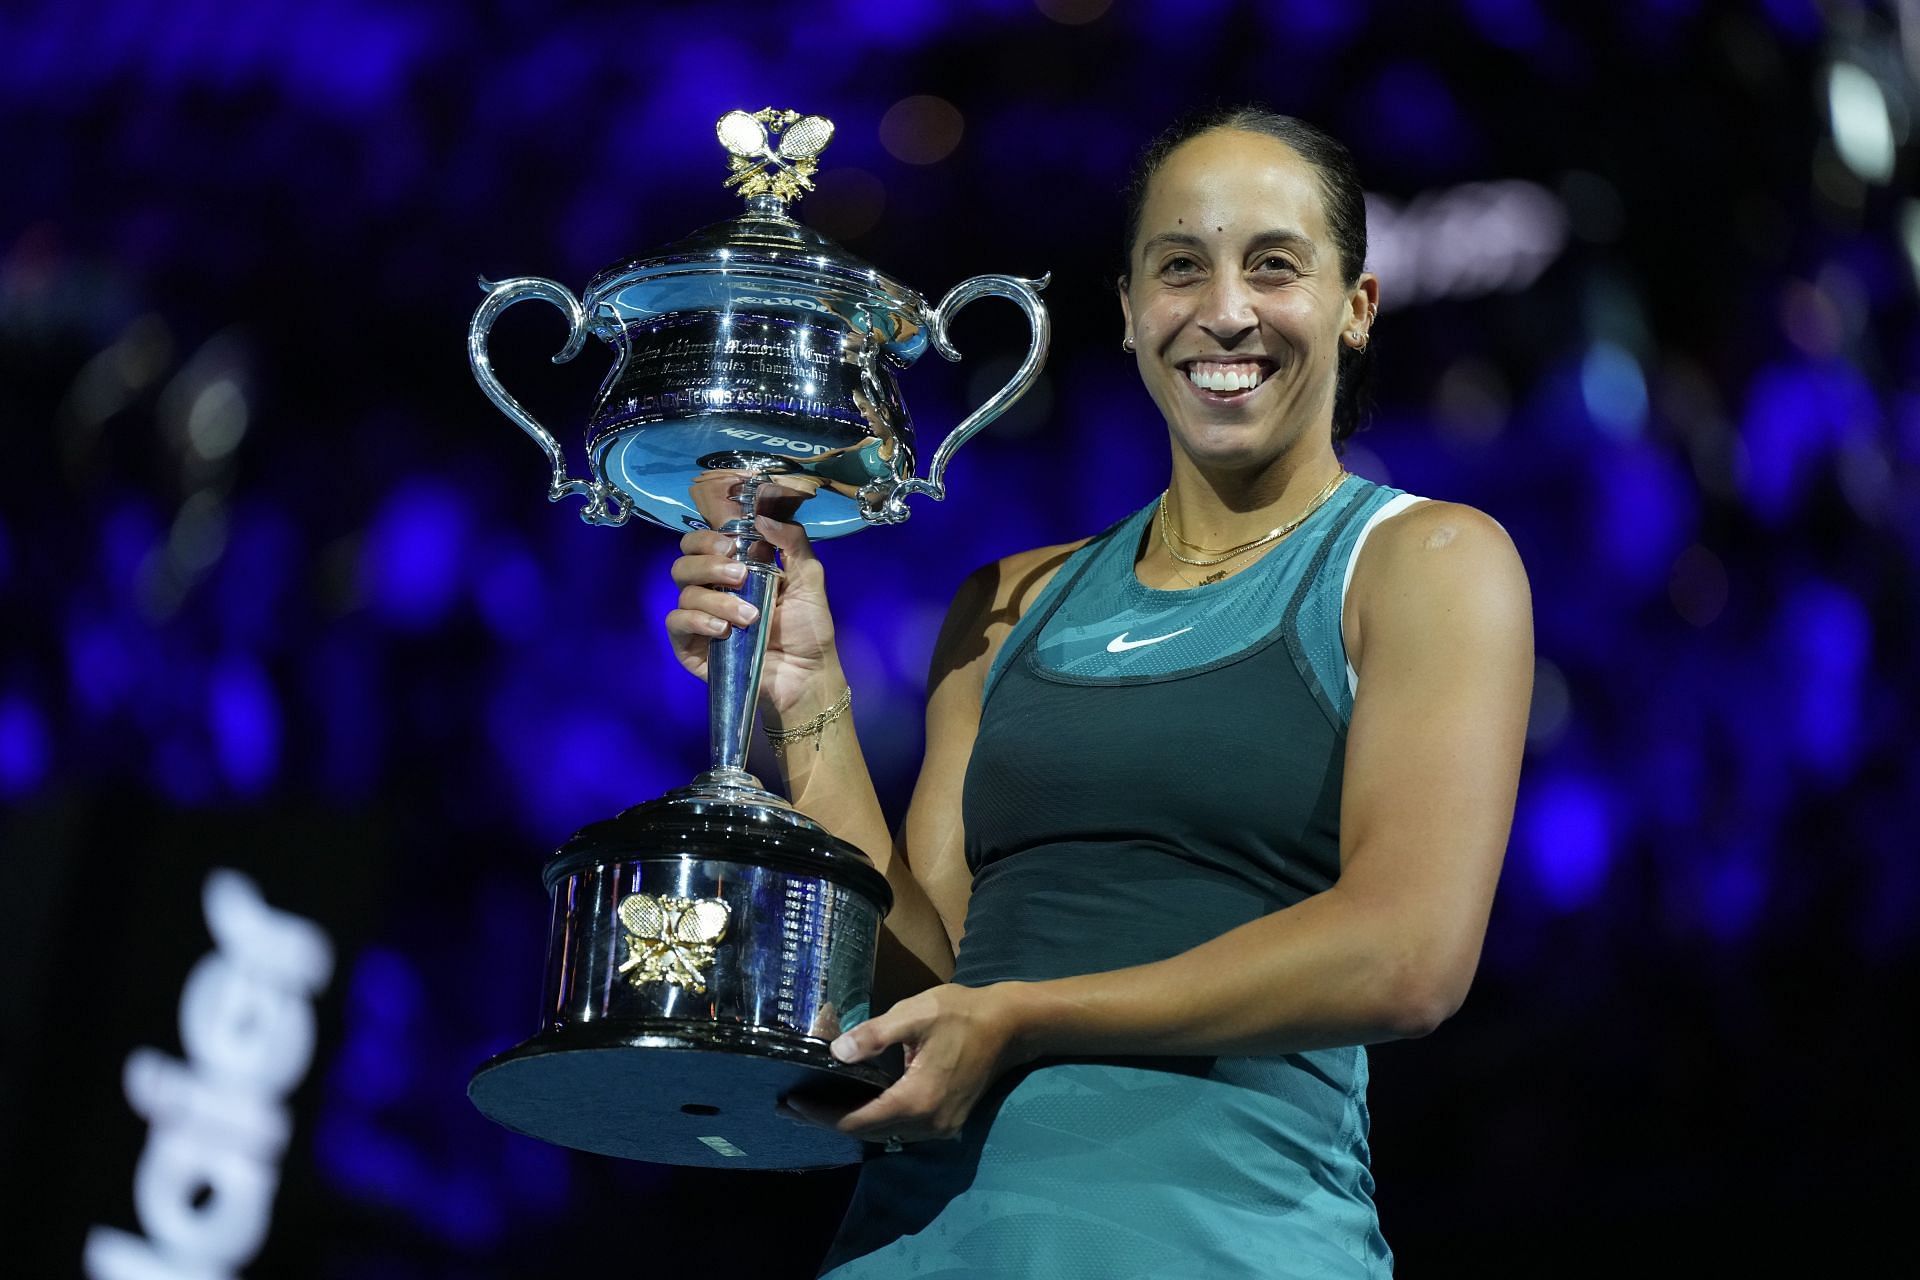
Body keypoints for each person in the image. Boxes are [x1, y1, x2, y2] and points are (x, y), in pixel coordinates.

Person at [665, 105, 1533, 1278]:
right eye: (1181, 267)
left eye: (1275, 265)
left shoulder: (1425, 562)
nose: (1225, 310)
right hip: (916, 1247)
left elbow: (1407, 957)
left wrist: (1029, 1015)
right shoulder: (1007, 602)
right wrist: (803, 688)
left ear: (1356, 306)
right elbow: (925, 975)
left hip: (1221, 1245)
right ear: (1129, 313)